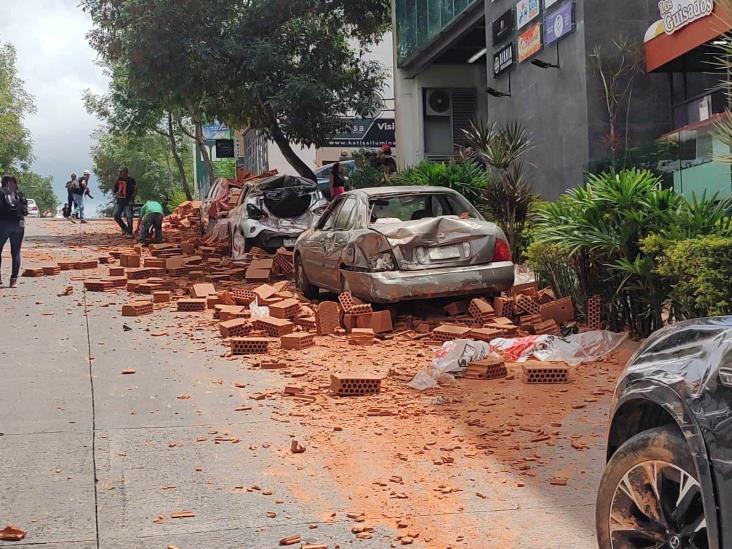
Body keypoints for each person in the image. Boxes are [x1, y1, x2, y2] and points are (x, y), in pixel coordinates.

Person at [0, 175, 28, 288]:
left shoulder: (1, 193)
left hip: (3, 224)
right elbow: (25, 212)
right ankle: (13, 280)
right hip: (19, 225)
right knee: (16, 252)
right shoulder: (20, 195)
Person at [113, 167, 137, 238]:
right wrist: (116, 193)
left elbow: (135, 190)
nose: (119, 173)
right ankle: (124, 228)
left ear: (126, 172)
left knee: (129, 216)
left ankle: (129, 232)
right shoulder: (118, 180)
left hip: (128, 201)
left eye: (121, 171)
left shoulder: (131, 180)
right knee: (116, 215)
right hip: (120, 201)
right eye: (119, 172)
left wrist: (132, 199)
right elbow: (114, 189)